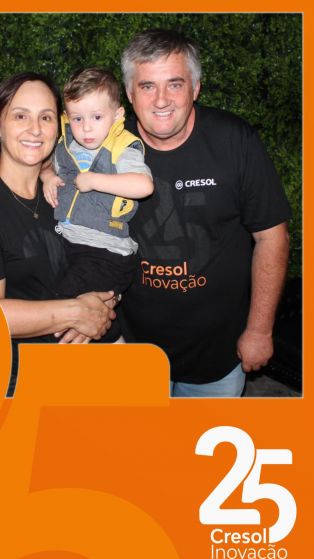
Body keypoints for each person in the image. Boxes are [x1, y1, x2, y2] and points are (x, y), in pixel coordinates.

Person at [119, 29, 291, 397]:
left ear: (195, 88)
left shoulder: (235, 140)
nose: (161, 100)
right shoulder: (106, 147)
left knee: (203, 437)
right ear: (129, 93)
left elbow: (271, 236)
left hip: (218, 353)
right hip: (131, 349)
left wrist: (259, 329)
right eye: (147, 86)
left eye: (175, 84)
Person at [0, 71, 116, 392]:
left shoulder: (68, 192)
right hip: (15, 384)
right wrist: (76, 313)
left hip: (84, 372)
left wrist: (107, 301)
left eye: (46, 117)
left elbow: (109, 251)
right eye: (20, 116)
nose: (35, 129)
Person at [42, 67, 153, 342]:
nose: (86, 127)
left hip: (106, 251)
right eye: (77, 118)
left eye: (97, 117)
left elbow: (143, 186)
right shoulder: (66, 144)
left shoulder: (123, 147)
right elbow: (44, 164)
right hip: (70, 243)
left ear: (117, 115)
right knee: (83, 307)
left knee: (62, 306)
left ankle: (112, 346)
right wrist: (47, 176)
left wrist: (95, 181)